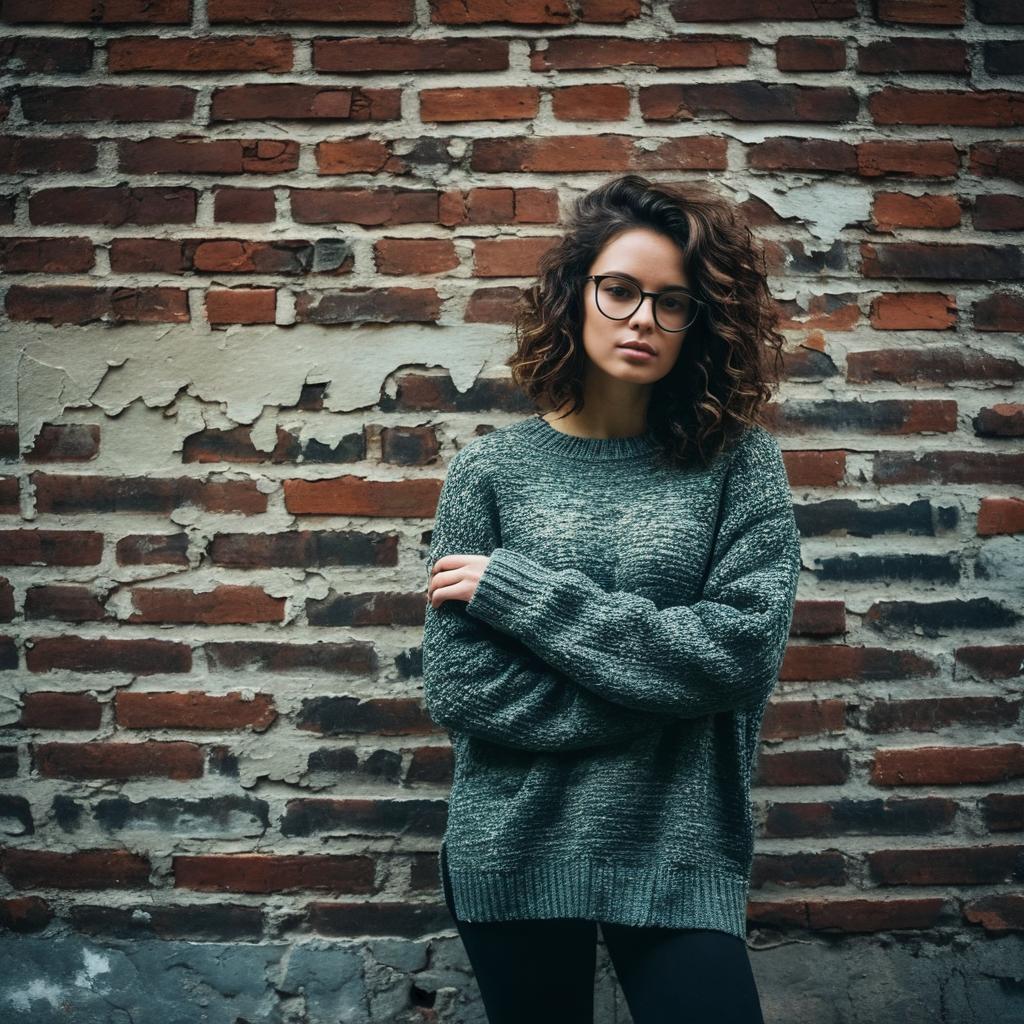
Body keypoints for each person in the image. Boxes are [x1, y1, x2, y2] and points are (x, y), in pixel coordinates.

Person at [421, 173, 801, 1024]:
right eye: (621, 290)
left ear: (701, 323)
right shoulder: (489, 473)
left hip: (679, 850)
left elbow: (738, 655)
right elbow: (462, 689)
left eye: (674, 303)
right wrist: (672, 688)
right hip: (513, 841)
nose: (642, 319)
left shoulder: (738, 466)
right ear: (575, 294)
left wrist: (521, 597)